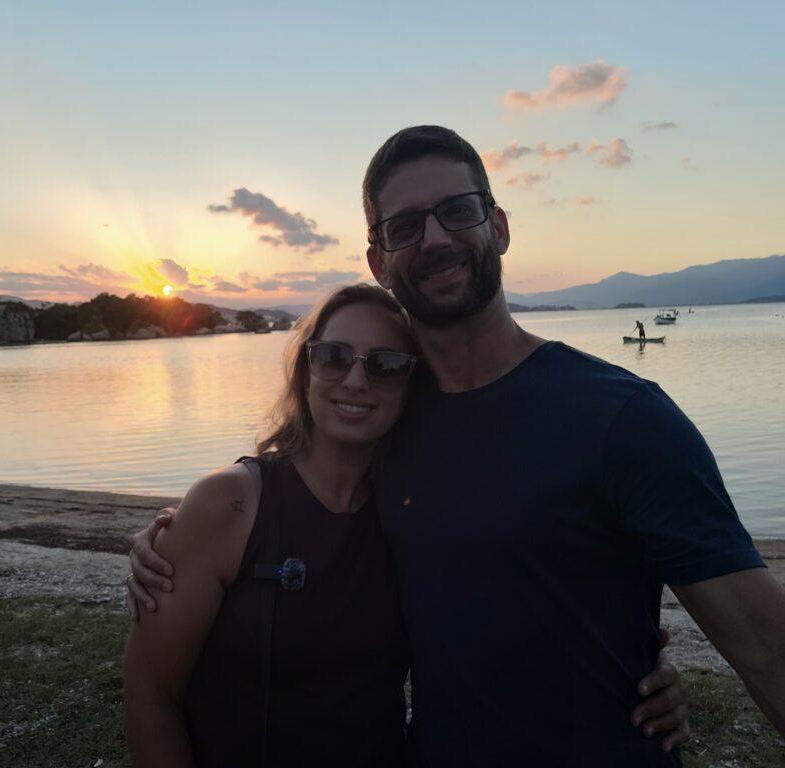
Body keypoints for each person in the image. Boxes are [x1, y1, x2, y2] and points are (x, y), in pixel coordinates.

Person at [129, 125, 785, 766]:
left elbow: (764, 648)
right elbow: (308, 507)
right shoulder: (389, 418)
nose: (436, 238)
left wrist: (634, 657)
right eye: (405, 225)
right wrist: (176, 534)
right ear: (379, 262)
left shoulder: (624, 418)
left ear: (498, 227)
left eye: (457, 211)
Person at [122, 284, 689, 767]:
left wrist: (635, 667)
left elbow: (508, 614)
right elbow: (151, 690)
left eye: (386, 364)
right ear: (306, 368)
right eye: (334, 356)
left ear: (411, 384)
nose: (356, 380)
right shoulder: (232, 504)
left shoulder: (414, 512)